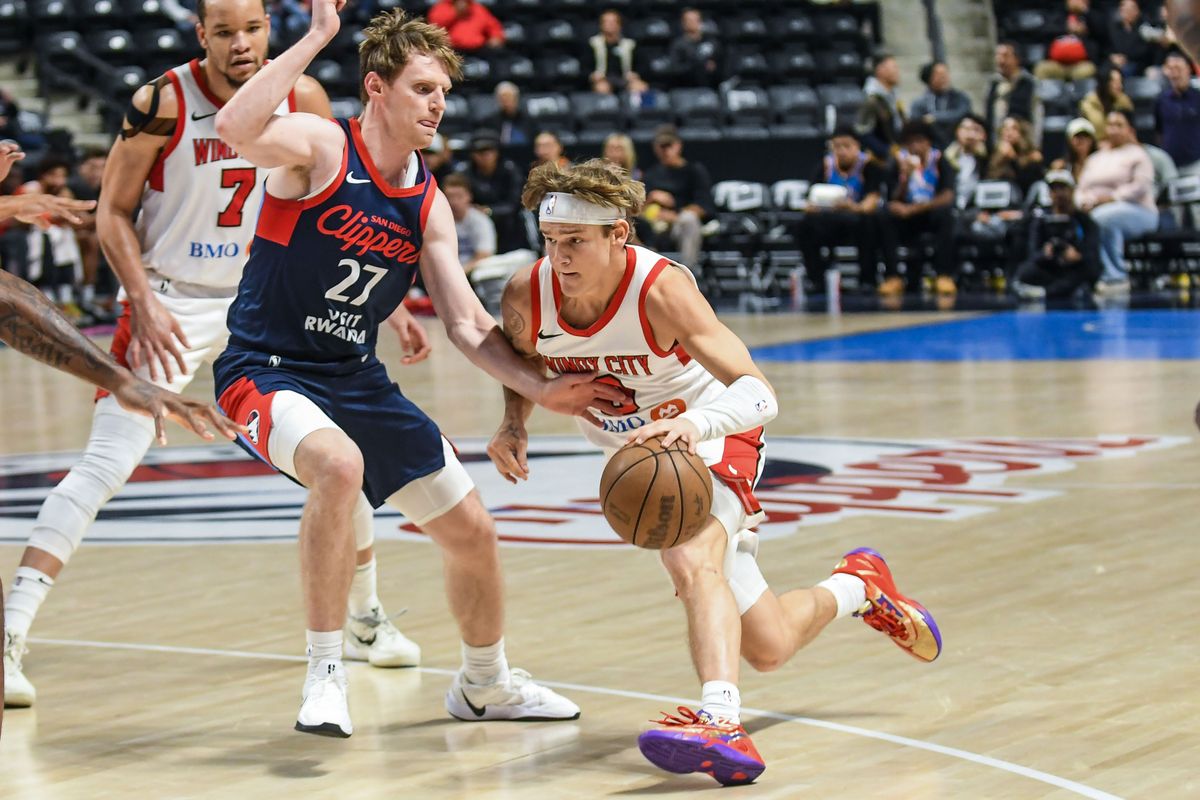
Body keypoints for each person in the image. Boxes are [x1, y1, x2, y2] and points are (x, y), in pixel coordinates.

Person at [211, 4, 625, 737]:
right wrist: (316, 36)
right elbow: (234, 130)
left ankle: (485, 686)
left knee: (472, 532)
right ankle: (326, 672)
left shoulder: (426, 201)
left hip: (352, 375)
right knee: (338, 468)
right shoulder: (320, 146)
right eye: (424, 88)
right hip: (264, 368)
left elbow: (465, 322)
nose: (438, 104)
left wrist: (538, 391)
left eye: (444, 92)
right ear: (377, 88)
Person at [2, 0, 427, 711]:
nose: (239, 43)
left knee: (337, 462)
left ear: (269, 30)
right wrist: (143, 297)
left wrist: (394, 305)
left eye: (252, 29)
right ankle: (12, 633)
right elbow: (112, 210)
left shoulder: (305, 95)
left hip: (270, 304)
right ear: (201, 34)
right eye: (224, 31)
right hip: (172, 299)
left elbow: (344, 212)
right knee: (105, 464)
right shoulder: (162, 100)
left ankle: (365, 617)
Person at [488, 158, 942, 787]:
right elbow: (521, 359)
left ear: (619, 235)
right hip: (643, 454)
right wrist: (516, 420)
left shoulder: (661, 291)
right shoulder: (526, 294)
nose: (560, 258)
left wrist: (694, 427)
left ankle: (721, 720)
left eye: (576, 243)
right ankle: (860, 587)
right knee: (769, 645)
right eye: (551, 242)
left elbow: (759, 393)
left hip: (711, 431)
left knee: (688, 556)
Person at [1076, 109, 1158, 294]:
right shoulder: (1095, 158)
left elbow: (1140, 187)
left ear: (1129, 129)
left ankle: (1116, 277)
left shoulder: (1138, 154)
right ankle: (1088, 276)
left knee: (1105, 218)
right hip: (1095, 209)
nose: (1113, 130)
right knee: (1087, 218)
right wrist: (1085, 202)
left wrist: (1112, 198)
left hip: (1139, 210)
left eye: (1119, 125)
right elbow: (1081, 188)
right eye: (1110, 125)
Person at [796, 127, 885, 289]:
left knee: (870, 222)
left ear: (857, 146)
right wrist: (821, 205)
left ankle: (867, 279)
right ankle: (816, 279)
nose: (842, 151)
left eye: (847, 146)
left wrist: (851, 206)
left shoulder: (868, 166)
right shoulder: (825, 165)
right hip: (830, 219)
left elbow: (870, 203)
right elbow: (809, 203)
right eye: (837, 146)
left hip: (856, 219)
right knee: (804, 226)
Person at [877, 120, 959, 296]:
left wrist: (916, 209)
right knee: (884, 216)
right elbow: (893, 197)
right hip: (906, 216)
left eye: (919, 141)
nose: (915, 146)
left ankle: (943, 275)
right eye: (910, 142)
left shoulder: (939, 160)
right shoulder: (897, 162)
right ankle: (893, 276)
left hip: (929, 213)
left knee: (946, 216)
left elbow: (947, 196)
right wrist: (905, 178)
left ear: (928, 142)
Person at [1012, 169, 1101, 300]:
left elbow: (1093, 248)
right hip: (1050, 266)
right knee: (1025, 271)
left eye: (1063, 188)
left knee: (1090, 269)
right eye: (1054, 189)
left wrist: (1078, 254)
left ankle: (1047, 292)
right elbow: (1033, 251)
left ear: (1071, 190)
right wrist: (1045, 253)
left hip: (1075, 267)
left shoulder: (1083, 219)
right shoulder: (1041, 219)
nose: (1059, 194)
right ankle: (1063, 289)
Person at [640, 125, 715, 271]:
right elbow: (638, 209)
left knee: (689, 219)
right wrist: (651, 199)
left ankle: (688, 273)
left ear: (678, 145)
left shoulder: (694, 171)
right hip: (655, 225)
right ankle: (646, 277)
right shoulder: (651, 175)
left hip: (680, 225)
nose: (665, 150)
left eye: (669, 145)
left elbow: (704, 206)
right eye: (661, 146)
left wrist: (675, 215)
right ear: (655, 148)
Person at [1155, 50, 1200, 177]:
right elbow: (1159, 131)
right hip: (1169, 164)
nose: (1174, 73)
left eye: (1178, 68)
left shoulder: (1198, 97)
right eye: (1170, 68)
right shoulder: (1161, 100)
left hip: (1196, 163)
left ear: (1188, 69)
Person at [985, 42, 1038, 146]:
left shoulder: (1029, 83)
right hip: (996, 144)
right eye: (998, 55)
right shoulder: (993, 83)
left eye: (1005, 56)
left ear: (1016, 59)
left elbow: (1036, 115)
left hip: (1023, 144)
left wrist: (1035, 146)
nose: (1000, 60)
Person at [909, 61, 972, 148]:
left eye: (946, 73)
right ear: (929, 78)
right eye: (938, 74)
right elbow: (916, 125)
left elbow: (962, 114)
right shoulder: (919, 103)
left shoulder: (960, 98)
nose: (944, 77)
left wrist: (935, 117)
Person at [1035, 0, 1101, 82]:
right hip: (1056, 64)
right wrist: (1066, 28)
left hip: (1081, 64)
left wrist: (1086, 12)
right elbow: (1044, 31)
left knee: (1087, 70)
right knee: (1042, 68)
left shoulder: (1090, 17)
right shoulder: (1058, 14)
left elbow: (1101, 33)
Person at [855, 50, 905, 159]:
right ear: (880, 70)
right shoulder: (871, 99)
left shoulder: (893, 95)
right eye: (894, 68)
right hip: (879, 161)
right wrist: (888, 151)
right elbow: (863, 133)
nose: (897, 72)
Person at [668, 7, 722, 88]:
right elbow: (675, 69)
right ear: (683, 23)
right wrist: (698, 65)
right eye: (689, 20)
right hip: (686, 88)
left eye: (696, 20)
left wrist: (714, 67)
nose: (693, 23)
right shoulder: (678, 44)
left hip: (710, 87)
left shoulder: (712, 42)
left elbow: (721, 63)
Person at [588, 9, 639, 95]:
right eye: (607, 22)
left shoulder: (630, 45)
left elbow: (640, 66)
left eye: (614, 22)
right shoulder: (593, 44)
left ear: (619, 25)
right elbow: (586, 68)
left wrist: (635, 75)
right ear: (601, 25)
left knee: (640, 87)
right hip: (603, 79)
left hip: (624, 78)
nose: (610, 24)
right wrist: (592, 76)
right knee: (602, 88)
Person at [1079, 62, 1134, 140]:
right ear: (1104, 83)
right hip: (1097, 148)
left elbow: (1131, 131)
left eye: (1120, 82)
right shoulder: (1088, 105)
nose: (1120, 86)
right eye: (1115, 82)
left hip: (1122, 148)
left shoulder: (1125, 102)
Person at [426, 0, 503, 54]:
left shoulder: (477, 8)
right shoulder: (442, 7)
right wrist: (455, 12)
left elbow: (493, 25)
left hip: (478, 50)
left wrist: (496, 36)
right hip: (453, 50)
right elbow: (434, 25)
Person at [1050, 117, 1099, 184]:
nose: (1081, 140)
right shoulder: (1062, 167)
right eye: (1077, 136)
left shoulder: (1101, 165)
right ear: (1069, 140)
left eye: (1086, 136)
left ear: (1092, 141)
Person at [494, 81, 530, 146]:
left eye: (509, 98)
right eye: (503, 99)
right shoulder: (490, 122)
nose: (506, 102)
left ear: (516, 99)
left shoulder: (529, 121)